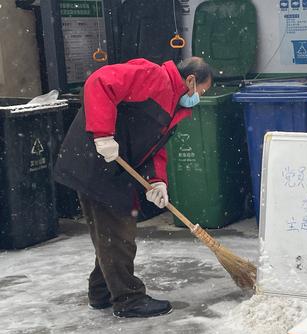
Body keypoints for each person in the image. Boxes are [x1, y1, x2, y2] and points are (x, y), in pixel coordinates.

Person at [54, 57, 213, 318]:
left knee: (111, 233)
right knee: (118, 232)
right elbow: (99, 81)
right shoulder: (153, 77)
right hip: (94, 161)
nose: (198, 97)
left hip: (114, 168)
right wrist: (102, 134)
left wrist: (157, 181)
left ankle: (101, 291)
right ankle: (129, 299)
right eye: (201, 91)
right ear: (190, 80)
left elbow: (153, 148)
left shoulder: (173, 104)